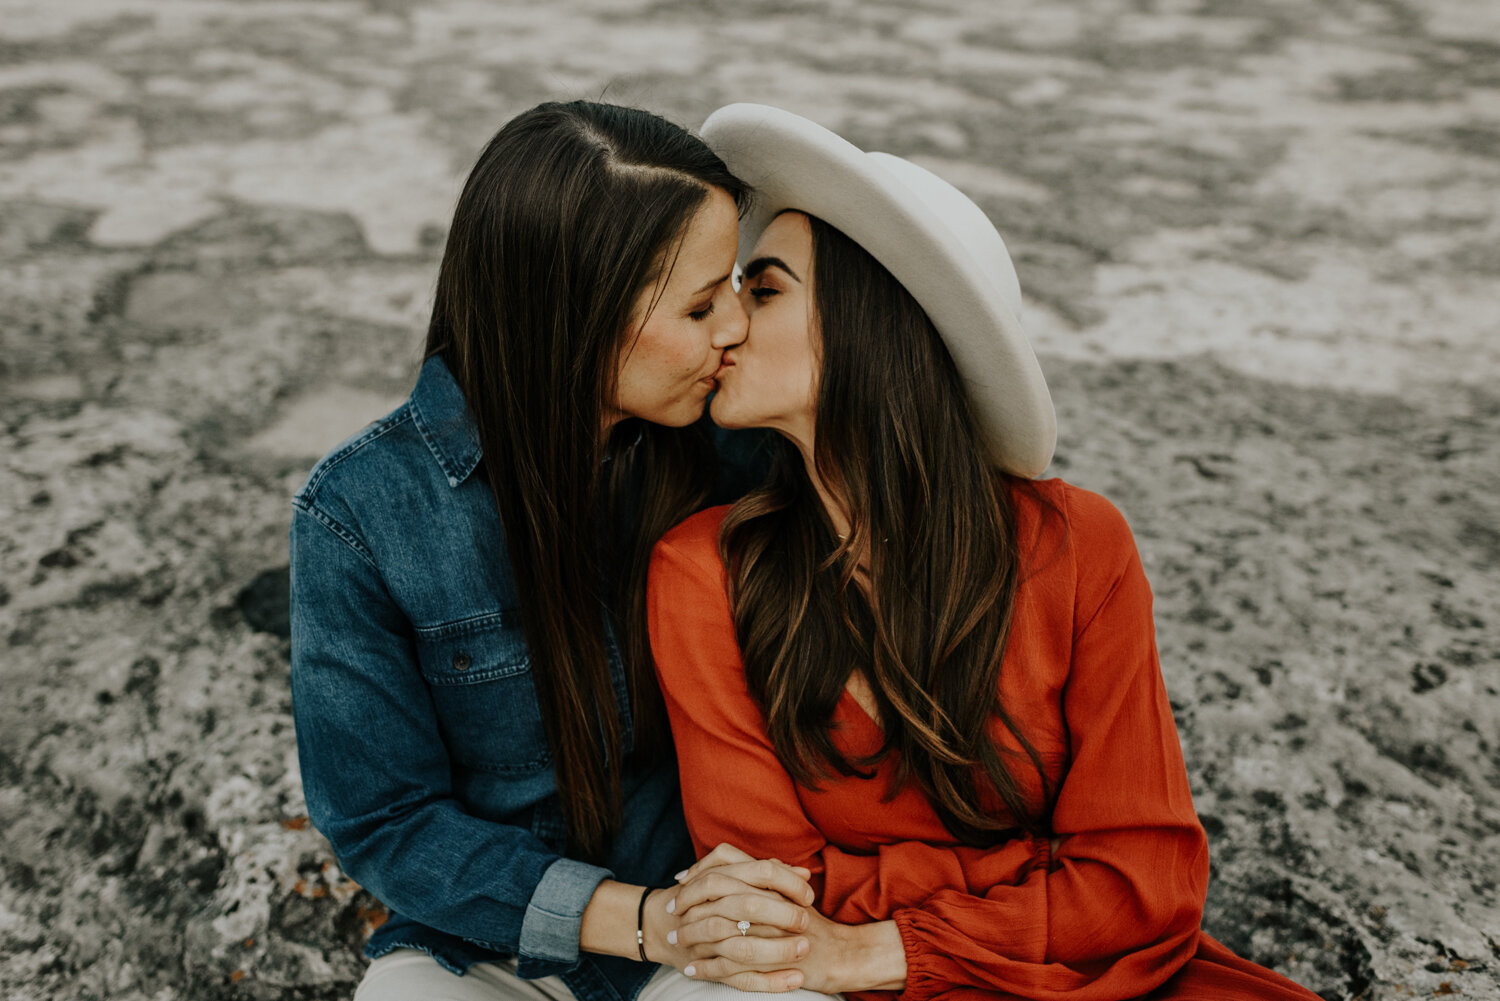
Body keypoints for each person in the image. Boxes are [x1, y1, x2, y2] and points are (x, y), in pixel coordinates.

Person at [647, 103, 1322, 1000]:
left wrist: (874, 940)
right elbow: (770, 893)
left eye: (764, 289)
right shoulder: (702, 571)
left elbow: (1147, 881)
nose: (725, 321)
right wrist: (1039, 871)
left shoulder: (1081, 545)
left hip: (1098, 984)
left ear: (871, 323)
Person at [290, 101, 826, 1001]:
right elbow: (386, 821)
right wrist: (642, 915)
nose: (734, 326)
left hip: (709, 923)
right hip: (486, 944)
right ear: (573, 316)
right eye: (700, 305)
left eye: (735, 284)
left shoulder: (731, 450)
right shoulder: (359, 515)